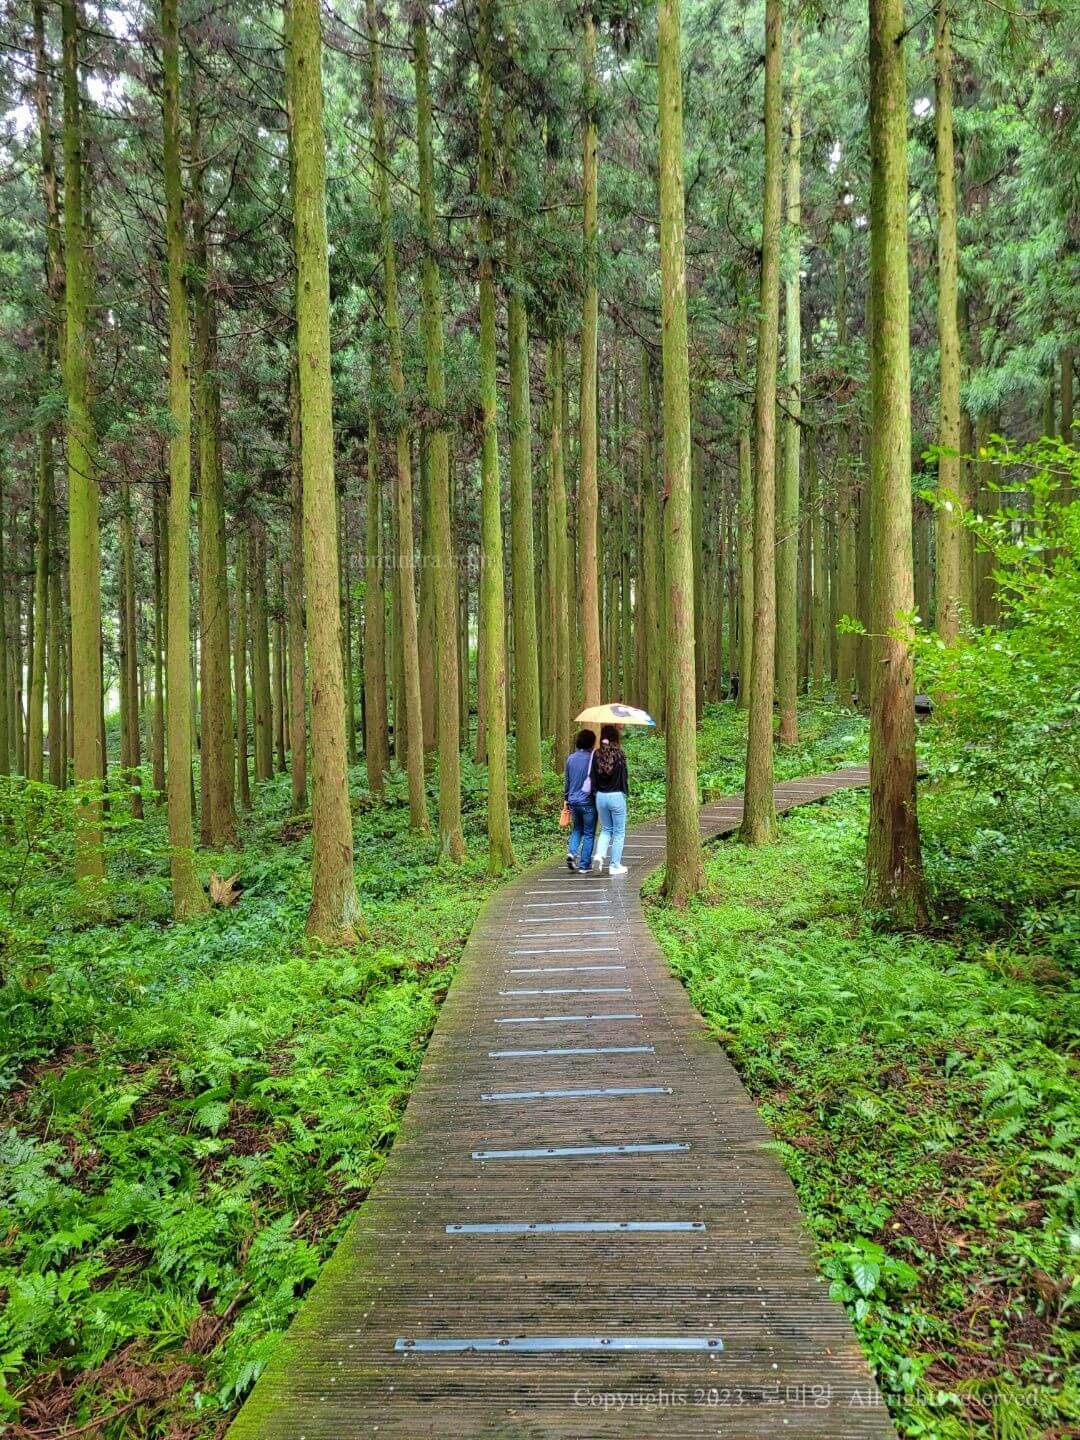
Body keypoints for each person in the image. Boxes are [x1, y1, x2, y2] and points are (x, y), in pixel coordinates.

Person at [592, 723, 629, 876]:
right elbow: (624, 778)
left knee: (606, 829)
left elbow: (592, 777)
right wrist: (625, 793)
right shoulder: (620, 754)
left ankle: (599, 856)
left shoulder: (596, 754)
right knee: (619, 832)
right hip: (616, 796)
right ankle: (614, 865)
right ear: (616, 737)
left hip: (600, 797)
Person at [564, 729, 597, 873]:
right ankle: (584, 865)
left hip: (573, 801)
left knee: (577, 829)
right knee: (589, 833)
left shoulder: (571, 758)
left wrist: (566, 798)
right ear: (591, 743)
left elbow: (568, 781)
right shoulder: (593, 759)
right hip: (588, 802)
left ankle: (572, 853)